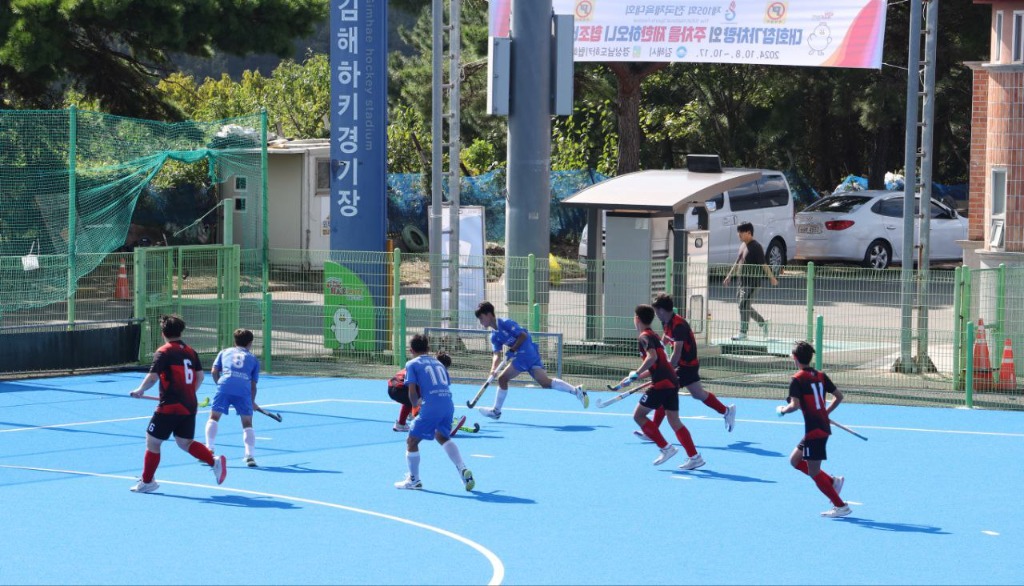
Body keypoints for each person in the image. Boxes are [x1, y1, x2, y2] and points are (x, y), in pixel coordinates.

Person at [129, 314, 226, 493]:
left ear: (163, 332)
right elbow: (200, 376)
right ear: (180, 331)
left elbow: (153, 376)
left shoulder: (164, 352)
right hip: (189, 405)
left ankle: (148, 481)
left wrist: (140, 390)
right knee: (184, 442)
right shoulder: (190, 351)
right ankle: (214, 461)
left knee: (153, 442)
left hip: (170, 406)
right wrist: (188, 393)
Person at [616, 304, 705, 469]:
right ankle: (695, 457)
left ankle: (666, 448)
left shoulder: (643, 337)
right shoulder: (654, 336)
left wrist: (636, 372)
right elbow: (657, 363)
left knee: (638, 416)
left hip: (663, 383)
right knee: (674, 420)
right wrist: (634, 378)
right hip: (672, 381)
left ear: (637, 319)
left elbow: (652, 357)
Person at [473, 301, 588, 419]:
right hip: (529, 355)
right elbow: (496, 354)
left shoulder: (505, 323)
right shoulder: (494, 336)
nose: (481, 322)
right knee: (545, 382)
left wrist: (512, 350)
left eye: (481, 318)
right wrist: (493, 369)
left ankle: (496, 411)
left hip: (525, 354)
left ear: (489, 314)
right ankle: (577, 391)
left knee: (502, 379)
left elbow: (523, 335)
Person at [643, 293, 736, 438]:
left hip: (687, 366)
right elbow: (665, 339)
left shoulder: (679, 325)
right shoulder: (666, 322)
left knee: (665, 391)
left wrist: (665, 370)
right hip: (684, 365)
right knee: (698, 394)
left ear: (661, 310)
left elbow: (677, 352)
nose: (656, 315)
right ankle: (726, 411)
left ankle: (652, 430)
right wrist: (659, 350)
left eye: (656, 312)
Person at [776, 341, 850, 518]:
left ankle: (841, 506)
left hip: (815, 431)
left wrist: (782, 410)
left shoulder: (797, 379)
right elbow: (839, 397)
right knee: (795, 460)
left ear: (795, 358)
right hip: (816, 429)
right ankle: (832, 481)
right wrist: (825, 412)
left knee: (814, 472)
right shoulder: (821, 375)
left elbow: (794, 405)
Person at [394, 334, 475, 492]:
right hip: (448, 404)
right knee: (442, 436)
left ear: (411, 350)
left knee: (411, 441)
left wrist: (415, 407)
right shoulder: (439, 364)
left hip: (431, 406)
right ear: (428, 349)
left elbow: (412, 393)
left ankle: (414, 480)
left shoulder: (411, 364)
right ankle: (462, 468)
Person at [205, 328, 261, 467]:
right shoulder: (253, 359)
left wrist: (220, 384)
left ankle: (209, 449)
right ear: (250, 343)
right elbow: (253, 385)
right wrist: (252, 401)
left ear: (234, 341)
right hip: (243, 390)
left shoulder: (224, 352)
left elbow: (214, 371)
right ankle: (250, 456)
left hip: (225, 385)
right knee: (247, 423)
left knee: (214, 417)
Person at [722, 222, 778, 341]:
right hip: (741, 282)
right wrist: (729, 275)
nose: (739, 235)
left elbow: (763, 264)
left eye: (741, 232)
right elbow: (737, 262)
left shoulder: (756, 246)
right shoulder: (743, 245)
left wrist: (772, 278)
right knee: (743, 306)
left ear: (749, 233)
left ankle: (743, 333)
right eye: (738, 232)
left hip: (753, 283)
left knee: (744, 305)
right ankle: (762, 323)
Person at [388, 350, 453, 432]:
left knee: (414, 395)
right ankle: (404, 423)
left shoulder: (424, 363)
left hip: (391, 387)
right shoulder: (434, 372)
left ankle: (409, 416)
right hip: (401, 389)